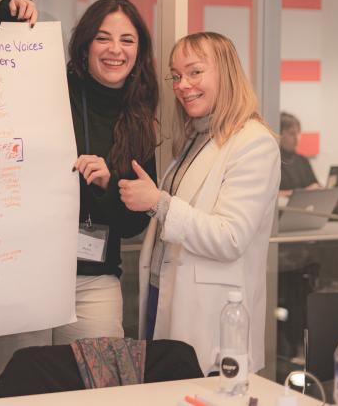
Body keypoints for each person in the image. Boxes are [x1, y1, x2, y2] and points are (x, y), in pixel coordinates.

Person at [0, 0, 159, 385]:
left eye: (127, 40)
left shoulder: (140, 117)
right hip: (25, 271)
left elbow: (133, 225)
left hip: (95, 279)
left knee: (101, 389)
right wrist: (6, 10)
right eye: (103, 38)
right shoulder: (47, 86)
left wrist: (109, 186)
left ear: (139, 50)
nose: (115, 50)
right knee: (20, 387)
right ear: (84, 45)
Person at [119, 31, 280, 376]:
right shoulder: (197, 137)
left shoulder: (254, 143)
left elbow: (230, 237)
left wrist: (159, 203)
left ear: (226, 73)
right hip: (166, 296)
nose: (182, 85)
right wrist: (152, 203)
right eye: (176, 76)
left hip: (211, 315)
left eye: (194, 72)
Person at [279, 111, 320, 195]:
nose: (297, 138)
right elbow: (272, 194)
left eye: (298, 133)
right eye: (292, 133)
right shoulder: (274, 160)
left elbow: (315, 185)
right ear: (279, 134)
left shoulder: (302, 160)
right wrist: (304, 192)